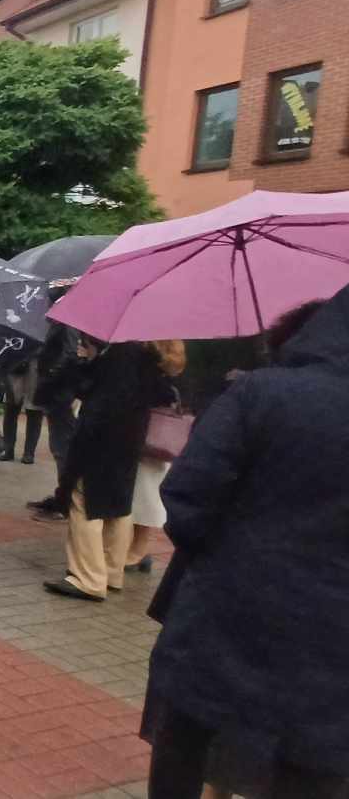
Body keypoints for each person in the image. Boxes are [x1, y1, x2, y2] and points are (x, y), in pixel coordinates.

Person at [140, 292, 348, 799]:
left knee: (186, 752)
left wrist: (233, 555)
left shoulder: (260, 393)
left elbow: (187, 500)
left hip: (222, 624)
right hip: (331, 658)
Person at [43, 338, 177, 602]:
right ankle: (112, 572)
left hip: (101, 441)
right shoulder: (148, 356)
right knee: (118, 507)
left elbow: (100, 399)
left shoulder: (121, 353)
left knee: (84, 503)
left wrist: (83, 365)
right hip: (129, 442)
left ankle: (88, 578)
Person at [123, 340, 187, 574]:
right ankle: (135, 549)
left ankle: (138, 551)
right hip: (151, 448)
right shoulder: (163, 377)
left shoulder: (159, 379)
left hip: (152, 446)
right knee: (140, 498)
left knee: (146, 499)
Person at [27, 287, 82, 517]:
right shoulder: (63, 318)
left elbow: (68, 355)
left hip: (61, 393)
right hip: (57, 392)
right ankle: (62, 496)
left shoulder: (68, 320)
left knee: (63, 448)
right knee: (59, 446)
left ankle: (66, 501)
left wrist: (50, 380)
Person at [0, 360, 42, 465]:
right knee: (10, 410)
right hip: (16, 365)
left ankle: (29, 453)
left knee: (34, 412)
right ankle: (8, 450)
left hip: (37, 367)